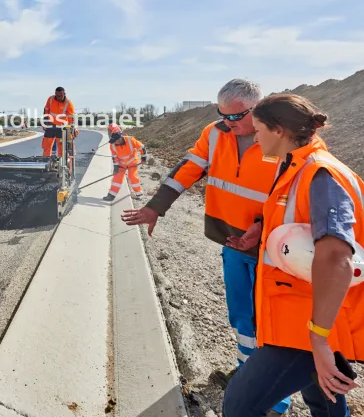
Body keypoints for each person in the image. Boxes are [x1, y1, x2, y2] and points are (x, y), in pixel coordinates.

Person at [222, 94, 364, 416]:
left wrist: (319, 340)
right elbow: (302, 224)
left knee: (238, 405)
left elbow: (336, 259)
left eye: (258, 129)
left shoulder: (320, 174)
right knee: (324, 398)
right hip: (298, 315)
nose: (254, 136)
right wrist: (262, 229)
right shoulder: (297, 168)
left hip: (306, 326)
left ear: (278, 131)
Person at [121, 78, 292, 416]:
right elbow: (188, 169)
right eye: (222, 115)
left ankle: (274, 399)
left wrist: (264, 225)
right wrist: (156, 206)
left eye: (236, 117)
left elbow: (297, 189)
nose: (228, 123)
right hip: (231, 240)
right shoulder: (216, 133)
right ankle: (246, 374)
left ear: (257, 108)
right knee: (243, 316)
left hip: (273, 248)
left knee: (271, 320)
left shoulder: (281, 136)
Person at [103, 124, 147, 202]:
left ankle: (139, 193)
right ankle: (111, 195)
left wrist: (143, 158)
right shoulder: (112, 145)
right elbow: (115, 157)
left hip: (132, 163)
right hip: (121, 164)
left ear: (120, 137)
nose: (114, 142)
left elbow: (142, 147)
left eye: (115, 140)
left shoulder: (130, 140)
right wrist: (116, 167)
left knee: (132, 177)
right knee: (117, 178)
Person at [41, 86, 75, 157]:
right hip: (50, 125)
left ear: (64, 94)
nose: (59, 97)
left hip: (61, 127)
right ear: (55, 94)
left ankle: (61, 163)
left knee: (61, 148)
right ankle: (46, 161)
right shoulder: (50, 99)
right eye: (57, 95)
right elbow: (46, 110)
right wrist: (45, 122)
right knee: (47, 145)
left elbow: (70, 118)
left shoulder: (68, 103)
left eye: (61, 96)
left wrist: (70, 128)